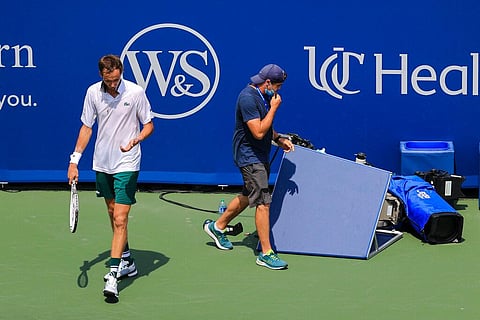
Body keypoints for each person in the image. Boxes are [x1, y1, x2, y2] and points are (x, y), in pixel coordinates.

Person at [67, 54, 154, 298]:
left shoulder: (135, 93)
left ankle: (113, 276)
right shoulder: (93, 93)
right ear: (101, 75)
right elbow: (87, 127)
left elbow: (149, 124)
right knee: (112, 211)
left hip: (127, 162)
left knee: (120, 217)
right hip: (103, 163)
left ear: (120, 73)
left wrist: (136, 139)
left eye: (117, 79)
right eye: (109, 80)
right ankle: (127, 259)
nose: (113, 84)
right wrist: (74, 161)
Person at [203, 64, 294, 270]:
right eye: (278, 86)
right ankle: (266, 253)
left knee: (247, 195)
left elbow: (267, 128)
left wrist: (279, 139)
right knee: (263, 201)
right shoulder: (247, 98)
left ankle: (217, 227)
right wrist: (274, 109)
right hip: (249, 156)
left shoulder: (262, 96)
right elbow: (259, 132)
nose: (278, 90)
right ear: (268, 83)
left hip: (259, 155)